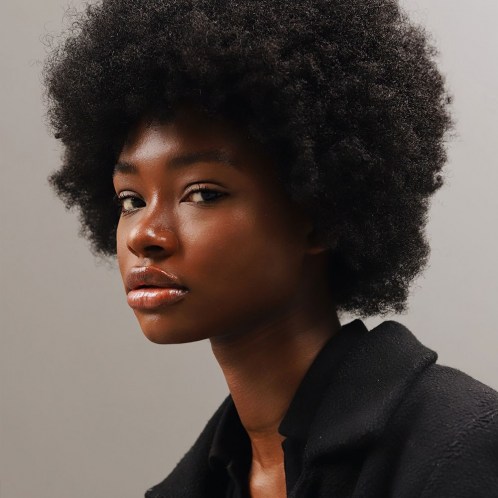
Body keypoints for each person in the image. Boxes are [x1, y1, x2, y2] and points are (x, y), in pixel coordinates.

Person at [43, 0, 498, 496]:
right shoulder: (190, 488)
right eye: (131, 200)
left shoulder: (459, 448)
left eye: (203, 194)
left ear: (318, 216)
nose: (142, 235)